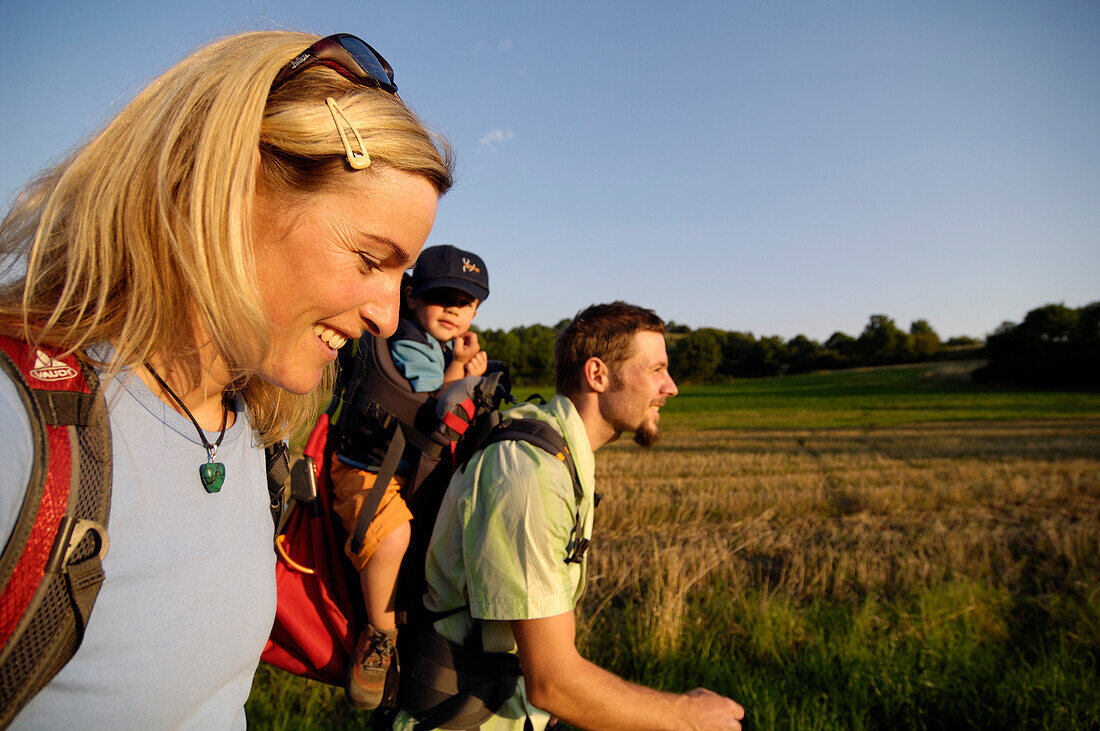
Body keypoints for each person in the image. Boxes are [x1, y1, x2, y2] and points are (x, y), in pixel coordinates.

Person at [0, 31, 453, 728]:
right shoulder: (19, 432)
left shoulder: (248, 433)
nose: (390, 317)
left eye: (403, 274)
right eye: (370, 258)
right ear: (234, 189)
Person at [393, 302, 745, 730]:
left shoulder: (559, 456)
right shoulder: (528, 473)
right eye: (656, 370)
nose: (671, 387)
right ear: (597, 374)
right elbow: (552, 681)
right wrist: (683, 717)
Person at [330, 243, 490, 709]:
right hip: (368, 470)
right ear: (414, 296)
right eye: (443, 297)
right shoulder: (408, 342)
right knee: (392, 537)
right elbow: (439, 406)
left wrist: (456, 363)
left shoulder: (429, 343)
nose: (454, 310)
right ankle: (379, 637)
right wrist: (464, 372)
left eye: (465, 303)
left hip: (405, 470)